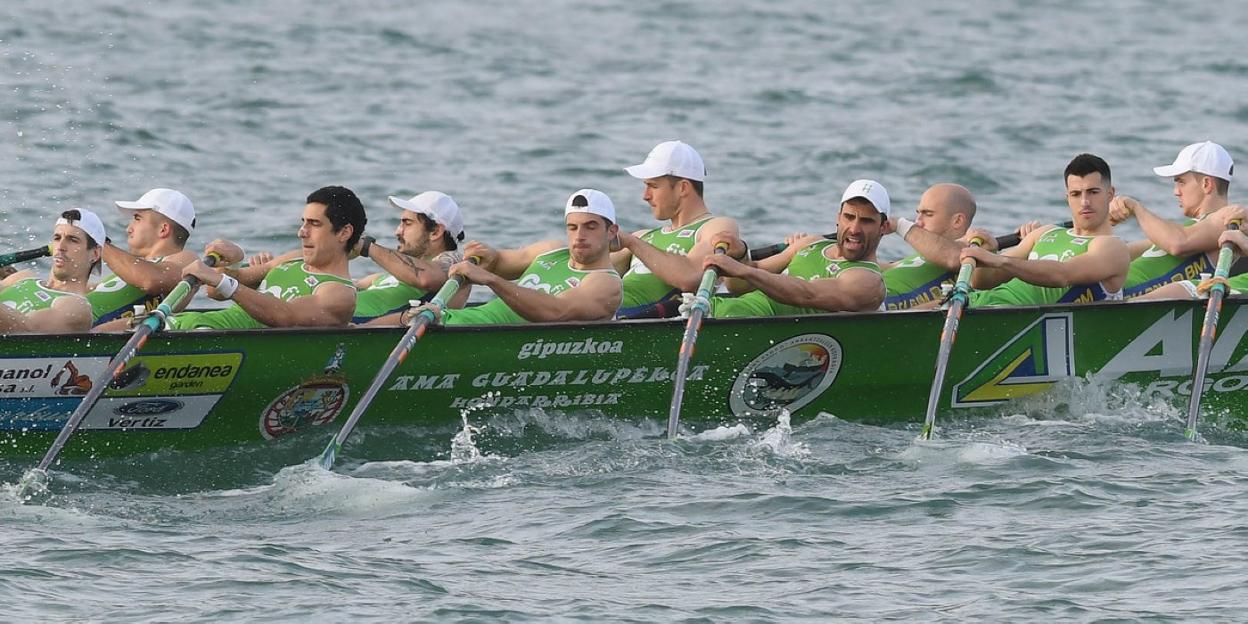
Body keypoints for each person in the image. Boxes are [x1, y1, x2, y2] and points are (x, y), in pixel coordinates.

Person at [163, 186, 366, 330]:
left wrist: (223, 281)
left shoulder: (339, 294)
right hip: (192, 324)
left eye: (314, 224)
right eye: (303, 223)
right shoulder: (293, 259)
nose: (302, 232)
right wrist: (233, 260)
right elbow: (215, 291)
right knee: (132, 322)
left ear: (344, 233)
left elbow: (286, 316)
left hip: (215, 343)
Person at [417, 189, 622, 326]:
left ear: (611, 231)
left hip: (483, 338)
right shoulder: (550, 250)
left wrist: (490, 279)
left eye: (590, 227)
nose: (579, 236)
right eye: (572, 227)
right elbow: (498, 262)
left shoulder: (605, 283)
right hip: (455, 321)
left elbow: (556, 312)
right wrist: (488, 256)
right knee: (393, 319)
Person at [689, 179, 889, 318]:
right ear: (838, 217)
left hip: (748, 329)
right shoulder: (810, 243)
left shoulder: (868, 282)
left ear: (883, 228)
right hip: (717, 312)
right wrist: (740, 254)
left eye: (866, 221)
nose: (854, 229)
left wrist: (741, 269)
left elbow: (808, 294)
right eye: (849, 217)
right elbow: (740, 285)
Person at [961, 153, 1130, 307]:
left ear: (1110, 194)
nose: (1084, 202)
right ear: (1068, 198)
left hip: (1010, 318)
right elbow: (982, 282)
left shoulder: (1112, 247)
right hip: (975, 304)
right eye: (1076, 194)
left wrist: (998, 260)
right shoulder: (1046, 232)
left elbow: (1062, 275)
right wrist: (988, 252)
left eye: (1093, 192)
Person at [613, 141, 741, 318]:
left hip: (626, 321)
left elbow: (689, 276)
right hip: (594, 311)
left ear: (683, 188)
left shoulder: (715, 227)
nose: (645, 196)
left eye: (653, 186)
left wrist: (631, 242)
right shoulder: (643, 236)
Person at [1109, 141, 1237, 297]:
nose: (1176, 191)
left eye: (1181, 182)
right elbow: (1127, 252)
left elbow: (1178, 244)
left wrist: (1135, 208)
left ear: (1206, 184)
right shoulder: (1192, 229)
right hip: (1110, 290)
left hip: (1118, 298)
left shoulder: (1228, 221)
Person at [88, 188, 199, 326]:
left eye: (137, 218)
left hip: (82, 327)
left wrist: (96, 241)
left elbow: (151, 280)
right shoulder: (133, 271)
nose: (128, 229)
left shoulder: (187, 261)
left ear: (163, 229)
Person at [352, 191, 466, 325]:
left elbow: (426, 278)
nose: (398, 231)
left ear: (435, 232)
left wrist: (365, 246)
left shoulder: (455, 268)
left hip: (344, 324)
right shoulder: (384, 277)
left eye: (408, 223)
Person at [0, 209, 105, 333]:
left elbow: (27, 329)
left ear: (95, 253)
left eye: (72, 240)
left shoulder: (77, 307)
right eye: (57, 238)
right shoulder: (22, 277)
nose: (60, 247)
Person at [881, 183, 979, 310]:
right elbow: (881, 266)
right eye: (918, 213)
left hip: (874, 308)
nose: (918, 222)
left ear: (957, 221)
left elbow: (955, 257)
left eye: (928, 214)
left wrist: (899, 225)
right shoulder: (922, 257)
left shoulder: (974, 256)